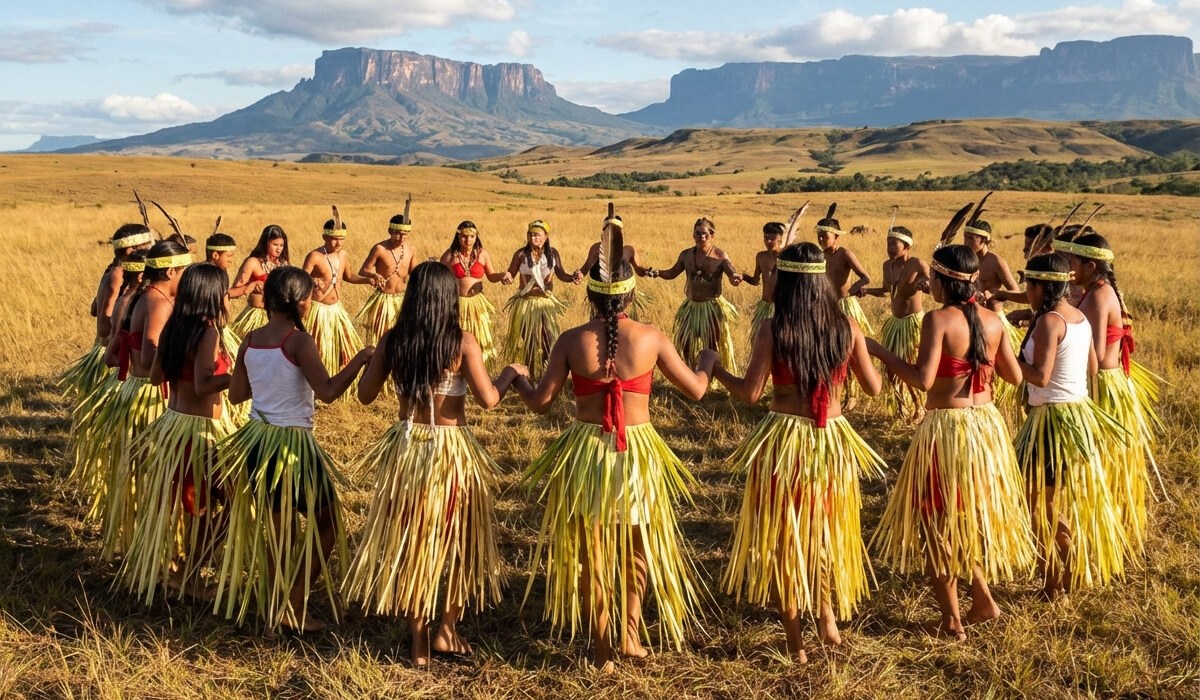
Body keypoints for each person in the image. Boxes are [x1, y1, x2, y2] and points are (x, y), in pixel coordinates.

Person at [511, 242, 717, 672]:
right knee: (637, 547)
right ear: (630, 296)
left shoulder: (571, 341)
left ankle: (603, 652)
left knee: (594, 554)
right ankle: (631, 636)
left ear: (590, 296)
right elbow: (697, 390)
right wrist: (706, 362)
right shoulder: (651, 337)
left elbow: (541, 404)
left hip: (586, 453)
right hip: (636, 451)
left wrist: (520, 380)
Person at [343, 262, 521, 667]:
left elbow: (366, 396)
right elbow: (489, 399)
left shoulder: (393, 341)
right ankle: (447, 629)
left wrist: (373, 361)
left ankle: (419, 643)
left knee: (413, 543)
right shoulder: (462, 343)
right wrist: (510, 373)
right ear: (448, 297)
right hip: (451, 450)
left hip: (407, 449)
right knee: (461, 541)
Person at [714, 242, 884, 664]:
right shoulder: (847, 327)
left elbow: (750, 393)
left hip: (785, 442)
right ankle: (827, 617)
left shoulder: (774, 328)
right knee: (825, 531)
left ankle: (797, 645)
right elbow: (874, 387)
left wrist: (714, 367)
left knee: (784, 538)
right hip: (831, 444)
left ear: (787, 280)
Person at [867, 245, 1034, 641]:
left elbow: (923, 380)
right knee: (968, 518)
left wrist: (879, 352)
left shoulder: (936, 319)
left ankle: (952, 621)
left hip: (947, 431)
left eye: (933, 280)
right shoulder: (994, 321)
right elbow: (1013, 376)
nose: (929, 285)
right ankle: (982, 601)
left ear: (943, 281)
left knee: (936, 520)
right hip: (986, 431)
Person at [214, 266, 372, 633]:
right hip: (292, 448)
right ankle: (294, 602)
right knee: (328, 522)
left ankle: (273, 613)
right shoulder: (299, 341)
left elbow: (237, 395)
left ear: (268, 300)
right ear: (304, 303)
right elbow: (328, 391)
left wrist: (267, 380)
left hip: (256, 442)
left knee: (278, 530)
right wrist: (361, 359)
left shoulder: (250, 340)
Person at [118, 263, 237, 605]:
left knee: (199, 504)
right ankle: (189, 570)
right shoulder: (207, 332)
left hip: (174, 425)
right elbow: (203, 385)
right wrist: (239, 376)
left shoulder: (173, 328)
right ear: (212, 294)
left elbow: (155, 377)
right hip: (201, 432)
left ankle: (186, 568)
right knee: (234, 501)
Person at [1014, 252, 1126, 599]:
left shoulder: (1049, 321)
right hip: (1075, 418)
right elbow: (1092, 368)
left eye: (1028, 286)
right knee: (1045, 503)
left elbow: (1041, 376)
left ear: (1039, 286)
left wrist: (1008, 362)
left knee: (1038, 506)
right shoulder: (1078, 316)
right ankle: (1062, 572)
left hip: (1050, 422)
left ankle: (1057, 577)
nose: (1026, 293)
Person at [1053, 232, 1163, 553]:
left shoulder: (1099, 297)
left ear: (1090, 265)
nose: (1070, 266)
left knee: (1097, 458)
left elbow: (1097, 356)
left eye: (1074, 261)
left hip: (1103, 384)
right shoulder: (1096, 291)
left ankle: (1103, 525)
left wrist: (1059, 341)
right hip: (1106, 382)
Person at [95, 238, 191, 560]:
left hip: (131, 392)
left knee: (138, 472)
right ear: (171, 271)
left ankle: (143, 540)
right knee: (155, 474)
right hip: (149, 398)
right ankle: (154, 548)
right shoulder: (159, 303)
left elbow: (112, 353)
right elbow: (152, 361)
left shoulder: (138, 296)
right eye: (184, 272)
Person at [68, 250, 146, 514]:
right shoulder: (124, 286)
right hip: (135, 381)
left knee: (121, 446)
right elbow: (104, 328)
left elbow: (94, 310)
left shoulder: (116, 282)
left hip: (124, 376)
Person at [62, 223, 154, 399]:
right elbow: (104, 328)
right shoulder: (118, 276)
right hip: (110, 350)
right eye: (146, 246)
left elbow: (94, 309)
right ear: (129, 250)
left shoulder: (115, 271)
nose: (150, 249)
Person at [861, 225, 929, 421]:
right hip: (895, 324)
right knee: (891, 370)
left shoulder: (917, 263)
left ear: (906, 246)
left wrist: (923, 284)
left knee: (909, 367)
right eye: (888, 243)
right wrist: (867, 291)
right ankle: (901, 407)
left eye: (894, 243)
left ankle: (919, 406)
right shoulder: (886, 265)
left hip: (912, 323)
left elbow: (930, 283)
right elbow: (886, 290)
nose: (889, 247)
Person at [657, 217, 742, 371]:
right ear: (693, 235)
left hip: (711, 308)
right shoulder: (686, 255)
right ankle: (691, 373)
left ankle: (710, 377)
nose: (701, 237)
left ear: (712, 235)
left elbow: (732, 273)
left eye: (704, 234)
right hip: (691, 306)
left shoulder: (720, 255)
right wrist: (656, 272)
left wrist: (735, 278)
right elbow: (672, 273)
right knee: (685, 342)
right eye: (698, 233)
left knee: (711, 345)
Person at [302, 210, 376, 385]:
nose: (338, 243)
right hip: (318, 311)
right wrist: (312, 282)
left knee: (344, 348)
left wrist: (368, 279)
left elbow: (349, 276)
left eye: (341, 239)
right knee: (319, 349)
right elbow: (301, 279)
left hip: (337, 310)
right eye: (334, 239)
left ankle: (336, 382)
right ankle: (316, 385)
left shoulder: (343, 255)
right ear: (324, 237)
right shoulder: (315, 256)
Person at [501, 220, 579, 379]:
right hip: (526, 304)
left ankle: (547, 376)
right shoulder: (521, 254)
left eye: (537, 234)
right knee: (529, 342)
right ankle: (530, 378)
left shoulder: (553, 254)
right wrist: (507, 278)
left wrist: (573, 277)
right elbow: (511, 273)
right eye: (531, 234)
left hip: (545, 303)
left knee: (548, 341)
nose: (533, 238)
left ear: (546, 236)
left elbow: (561, 274)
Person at [439, 221, 512, 365]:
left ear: (476, 236)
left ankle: (478, 369)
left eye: (471, 236)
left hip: (477, 303)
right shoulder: (450, 256)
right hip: (457, 303)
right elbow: (440, 278)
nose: (468, 240)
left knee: (478, 336)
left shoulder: (482, 254)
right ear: (458, 237)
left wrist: (503, 275)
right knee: (457, 336)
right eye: (464, 237)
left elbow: (491, 276)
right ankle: (456, 366)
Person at [820, 205, 872, 406]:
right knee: (831, 351)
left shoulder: (845, 254)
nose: (821, 239)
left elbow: (865, 277)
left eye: (825, 236)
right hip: (827, 307)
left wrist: (853, 291)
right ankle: (836, 391)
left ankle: (852, 394)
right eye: (819, 236)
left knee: (848, 352)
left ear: (836, 237)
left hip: (846, 307)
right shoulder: (821, 255)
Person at [574, 214, 659, 320]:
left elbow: (639, 270)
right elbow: (585, 268)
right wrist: (579, 274)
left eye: (615, 231)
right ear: (603, 232)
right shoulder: (597, 249)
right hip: (601, 297)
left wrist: (646, 271)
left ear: (621, 233)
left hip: (622, 296)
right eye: (607, 231)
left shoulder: (628, 250)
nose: (611, 235)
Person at [356, 212, 417, 346]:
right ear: (390, 231)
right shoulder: (380, 249)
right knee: (382, 338)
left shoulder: (410, 250)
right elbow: (363, 271)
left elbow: (415, 273)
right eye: (397, 233)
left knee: (403, 337)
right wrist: (374, 275)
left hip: (402, 299)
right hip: (384, 300)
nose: (401, 238)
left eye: (405, 234)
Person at [230, 225, 290, 337]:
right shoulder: (253, 262)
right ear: (266, 243)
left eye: (281, 245)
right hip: (255, 317)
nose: (279, 249)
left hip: (276, 318)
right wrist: (251, 286)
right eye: (275, 244)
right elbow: (232, 292)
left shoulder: (284, 264)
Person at [740, 222, 784, 345]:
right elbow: (756, 281)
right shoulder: (761, 256)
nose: (768, 241)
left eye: (772, 238)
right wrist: (743, 277)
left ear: (780, 238)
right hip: (764, 306)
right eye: (766, 238)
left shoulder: (786, 257)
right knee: (759, 342)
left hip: (780, 308)